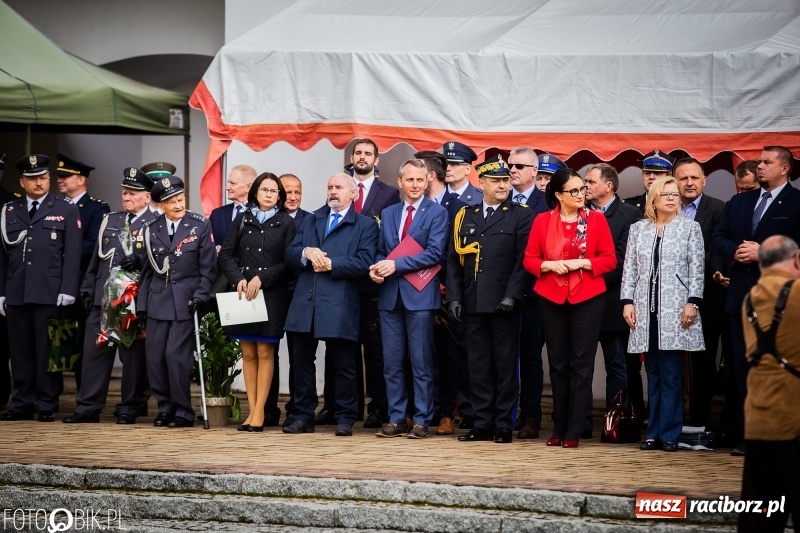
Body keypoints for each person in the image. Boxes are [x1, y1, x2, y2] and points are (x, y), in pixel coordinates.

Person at [711, 145, 800, 456]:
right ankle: (746, 436)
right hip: (740, 298)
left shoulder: (797, 202)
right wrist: (736, 250)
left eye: (767, 162)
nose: (759, 166)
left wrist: (763, 253)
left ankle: (779, 438)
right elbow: (718, 237)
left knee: (777, 368)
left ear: (785, 169)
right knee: (740, 369)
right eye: (759, 161)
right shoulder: (739, 201)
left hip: (782, 303)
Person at [523, 168, 616, 448]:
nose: (580, 195)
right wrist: (548, 265)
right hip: (551, 297)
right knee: (559, 364)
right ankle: (558, 427)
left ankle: (575, 430)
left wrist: (583, 263)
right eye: (573, 191)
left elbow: (610, 260)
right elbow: (529, 259)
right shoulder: (542, 221)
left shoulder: (596, 221)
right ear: (558, 195)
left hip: (587, 297)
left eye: (582, 189)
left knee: (581, 364)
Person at [282, 172, 378, 437]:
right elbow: (290, 253)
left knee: (343, 362)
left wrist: (332, 264)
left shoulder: (365, 225)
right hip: (306, 300)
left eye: (339, 187)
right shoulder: (312, 219)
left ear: (353, 193)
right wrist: (306, 252)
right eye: (329, 187)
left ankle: (345, 416)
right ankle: (303, 416)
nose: (333, 191)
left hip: (339, 301)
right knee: (301, 360)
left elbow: (365, 261)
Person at [447, 156, 534, 444]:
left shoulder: (520, 214)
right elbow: (454, 261)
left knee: (505, 366)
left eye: (505, 180)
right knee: (478, 365)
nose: (502, 185)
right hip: (473, 302)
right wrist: (455, 298)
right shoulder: (465, 214)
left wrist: (512, 295)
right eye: (495, 181)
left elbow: (523, 261)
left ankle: (502, 424)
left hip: (503, 303)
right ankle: (482, 423)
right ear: (480, 183)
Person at [63, 167, 159, 424]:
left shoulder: (156, 222)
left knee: (132, 357)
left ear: (147, 197)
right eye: (125, 192)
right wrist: (86, 288)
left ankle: (130, 406)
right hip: (103, 298)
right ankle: (87, 408)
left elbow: (160, 261)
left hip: (133, 300)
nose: (127, 197)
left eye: (133, 193)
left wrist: (139, 260)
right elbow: (97, 259)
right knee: (95, 354)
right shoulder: (110, 219)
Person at [317, 139, 399, 429]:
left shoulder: (390, 193)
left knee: (374, 349)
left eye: (368, 153)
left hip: (372, 284)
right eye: (358, 153)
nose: (362, 157)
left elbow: (393, 236)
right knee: (338, 347)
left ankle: (378, 407)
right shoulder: (336, 188)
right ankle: (336, 405)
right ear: (351, 157)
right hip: (338, 283)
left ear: (376, 160)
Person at [622, 176, 705, 452]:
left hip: (676, 308)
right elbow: (630, 270)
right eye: (666, 194)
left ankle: (670, 434)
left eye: (675, 194)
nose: (672, 198)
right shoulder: (639, 229)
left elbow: (697, 268)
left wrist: (693, 301)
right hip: (646, 311)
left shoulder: (689, 228)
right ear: (654, 200)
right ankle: (653, 432)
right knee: (653, 372)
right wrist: (627, 301)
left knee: (671, 374)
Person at [370, 159, 448, 439]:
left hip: (421, 297)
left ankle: (423, 419)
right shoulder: (389, 213)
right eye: (409, 180)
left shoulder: (437, 213)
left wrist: (395, 266)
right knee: (391, 362)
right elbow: (381, 250)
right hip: (390, 296)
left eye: (419, 180)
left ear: (427, 181)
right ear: (400, 182)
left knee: (421, 361)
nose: (415, 185)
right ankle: (396, 418)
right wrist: (378, 268)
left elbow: (435, 253)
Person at [0, 154, 81, 422]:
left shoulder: (66, 208)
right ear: (22, 182)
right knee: (20, 349)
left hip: (49, 290)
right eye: (33, 179)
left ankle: (46, 401)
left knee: (47, 349)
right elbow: (3, 255)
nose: (39, 183)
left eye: (43, 178)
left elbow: (73, 253)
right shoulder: (10, 210)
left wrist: (68, 289)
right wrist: (2, 291)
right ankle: (22, 400)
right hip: (17, 290)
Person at [218, 172, 296, 432]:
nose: (269, 195)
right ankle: (251, 411)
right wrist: (239, 278)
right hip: (242, 294)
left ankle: (260, 412)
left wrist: (261, 279)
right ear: (255, 192)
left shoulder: (286, 223)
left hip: (270, 295)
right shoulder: (243, 219)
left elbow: (288, 262)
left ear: (279, 196)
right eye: (265, 190)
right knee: (248, 353)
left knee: (265, 352)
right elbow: (226, 254)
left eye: (274, 191)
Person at [138, 175, 217, 428]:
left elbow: (208, 267)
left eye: (181, 199)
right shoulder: (151, 228)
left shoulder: (199, 224)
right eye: (172, 202)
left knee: (176, 357)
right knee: (155, 358)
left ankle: (183, 412)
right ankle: (165, 408)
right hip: (157, 302)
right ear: (161, 205)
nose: (178, 205)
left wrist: (201, 295)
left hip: (186, 301)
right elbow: (147, 272)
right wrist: (141, 305)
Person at [738, 235, 800, 533]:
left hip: (758, 418)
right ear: (796, 261)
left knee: (758, 513)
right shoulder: (798, 292)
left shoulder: (750, 298)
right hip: (792, 416)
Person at [583, 163, 642, 436]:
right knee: (580, 365)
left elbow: (623, 261)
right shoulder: (579, 213)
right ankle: (580, 424)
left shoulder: (630, 214)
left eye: (591, 181)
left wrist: (584, 277)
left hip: (611, 302)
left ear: (609, 186)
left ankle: (615, 425)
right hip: (581, 304)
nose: (585, 186)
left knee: (617, 365)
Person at [415, 150, 470, 435]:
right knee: (421, 352)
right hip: (415, 288)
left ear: (430, 176)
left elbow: (456, 253)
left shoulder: (458, 205)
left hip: (447, 290)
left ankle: (447, 412)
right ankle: (425, 410)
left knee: (449, 354)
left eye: (417, 173)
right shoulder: (411, 206)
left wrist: (448, 287)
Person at [672, 157, 727, 429]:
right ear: (674, 181)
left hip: (707, 299)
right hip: (669, 297)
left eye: (694, 178)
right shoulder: (666, 207)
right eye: (683, 178)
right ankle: (671, 421)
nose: (689, 183)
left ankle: (699, 424)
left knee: (703, 363)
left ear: (704, 180)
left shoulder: (718, 208)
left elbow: (718, 249)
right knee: (670, 364)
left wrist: (685, 258)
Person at [54, 153, 110, 392]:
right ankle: (52, 397)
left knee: (81, 343)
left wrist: (60, 252)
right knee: (54, 341)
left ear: (81, 180)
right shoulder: (54, 206)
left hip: (80, 285)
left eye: (66, 176)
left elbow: (94, 244)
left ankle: (82, 394)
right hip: (54, 285)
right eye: (59, 176)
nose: (60, 180)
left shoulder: (96, 209)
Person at [508, 147, 549, 439]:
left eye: (520, 166)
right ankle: (503, 414)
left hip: (535, 293)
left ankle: (531, 416)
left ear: (534, 171)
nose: (512, 170)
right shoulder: (500, 199)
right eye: (510, 165)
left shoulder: (546, 203)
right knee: (504, 356)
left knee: (531, 357)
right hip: (503, 291)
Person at [271, 173, 310, 428]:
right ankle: (267, 408)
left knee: (300, 355)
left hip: (299, 295)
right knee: (267, 352)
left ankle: (297, 408)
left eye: (297, 192)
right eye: (288, 192)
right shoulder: (268, 219)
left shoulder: (311, 220)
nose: (293, 197)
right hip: (272, 293)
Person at [210, 165, 257, 248]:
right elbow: (207, 244)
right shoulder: (217, 215)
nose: (227, 187)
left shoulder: (262, 213)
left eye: (232, 183)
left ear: (248, 187)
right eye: (228, 183)